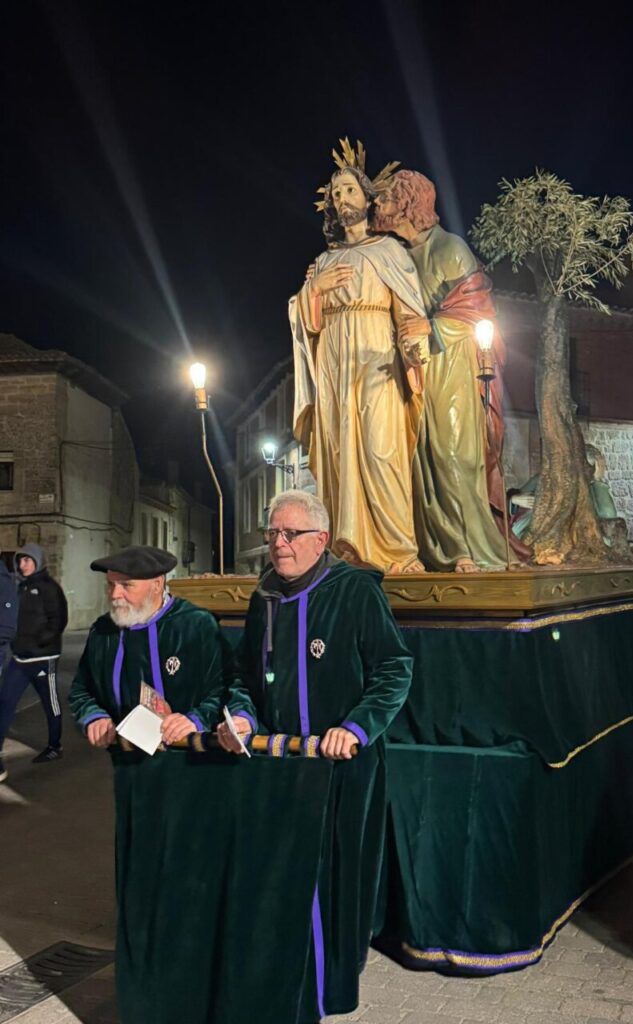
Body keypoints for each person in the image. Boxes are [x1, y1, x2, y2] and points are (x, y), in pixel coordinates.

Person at [221, 489, 413, 1023]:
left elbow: (394, 668)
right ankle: (288, 983)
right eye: (273, 534)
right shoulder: (263, 598)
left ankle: (331, 987)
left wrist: (355, 728)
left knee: (335, 880)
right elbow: (243, 678)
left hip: (342, 769)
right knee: (286, 881)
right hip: (280, 768)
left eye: (290, 534)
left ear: (320, 539)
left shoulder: (354, 591)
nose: (278, 545)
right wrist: (240, 716)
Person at [68, 545, 254, 1023]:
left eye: (124, 585)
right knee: (138, 888)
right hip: (132, 783)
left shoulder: (195, 626)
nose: (115, 594)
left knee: (188, 890)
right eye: (110, 584)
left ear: (156, 584)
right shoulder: (105, 632)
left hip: (192, 784)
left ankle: (193, 993)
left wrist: (193, 718)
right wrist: (92, 717)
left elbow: (226, 687)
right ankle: (144, 991)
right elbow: (83, 688)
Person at [373, 169, 527, 570]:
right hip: (417, 368)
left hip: (454, 363)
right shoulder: (398, 256)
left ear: (407, 202)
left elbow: (478, 308)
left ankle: (470, 548)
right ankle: (439, 546)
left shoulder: (451, 248)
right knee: (421, 459)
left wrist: (431, 326)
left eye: (386, 199)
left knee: (453, 454)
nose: (378, 206)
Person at [290, 161, 431, 574]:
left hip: (376, 358)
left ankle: (397, 552)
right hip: (333, 362)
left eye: (349, 190)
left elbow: (410, 312)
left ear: (368, 198)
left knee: (380, 449)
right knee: (339, 453)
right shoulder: (321, 262)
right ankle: (344, 547)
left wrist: (413, 345)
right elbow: (303, 319)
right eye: (336, 194)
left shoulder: (390, 252)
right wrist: (313, 291)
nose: (342, 199)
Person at [0, 543, 68, 782]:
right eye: (20, 561)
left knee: (50, 703)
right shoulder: (18, 587)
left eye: (27, 560)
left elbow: (58, 619)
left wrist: (42, 641)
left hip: (43, 658)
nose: (22, 565)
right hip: (19, 657)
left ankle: (54, 746)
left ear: (38, 561)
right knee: (5, 702)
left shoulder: (49, 588)